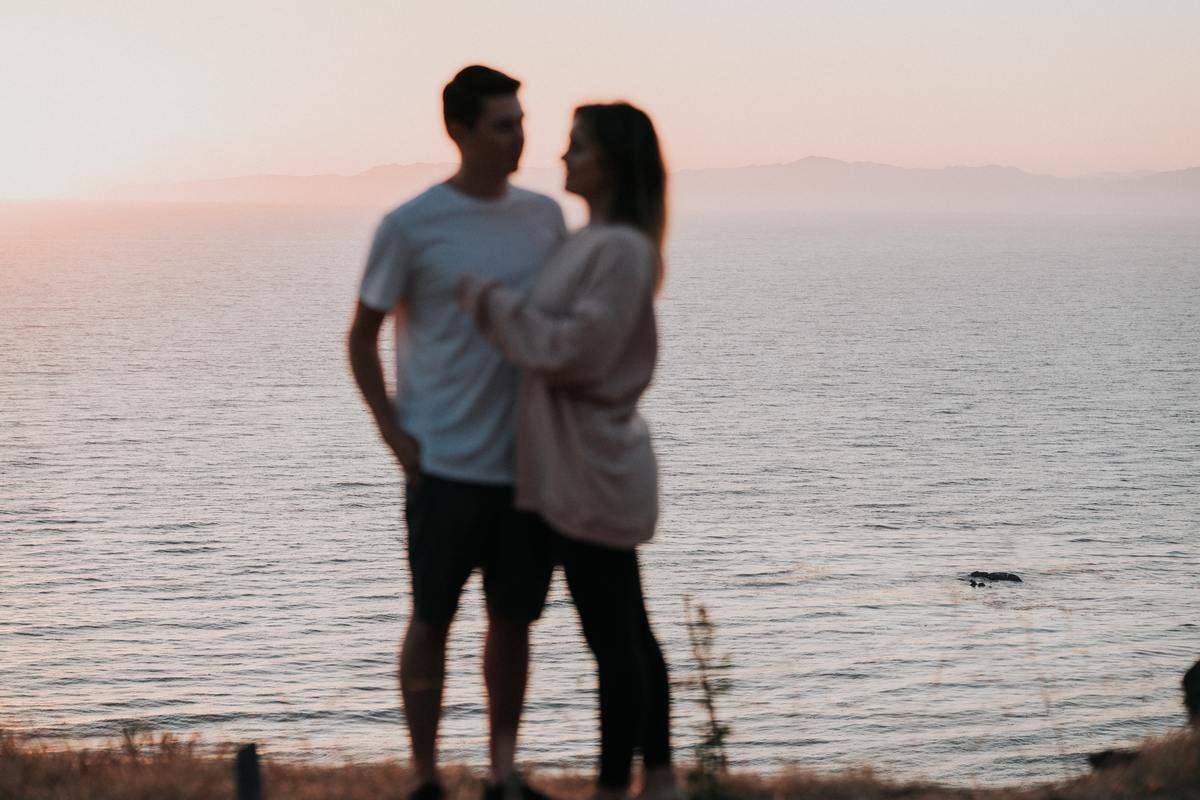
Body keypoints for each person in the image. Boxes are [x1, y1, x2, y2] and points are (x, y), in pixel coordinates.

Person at [347, 65, 566, 800]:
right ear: (461, 130)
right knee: (432, 618)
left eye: (521, 123)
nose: (519, 138)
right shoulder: (410, 226)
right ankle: (425, 775)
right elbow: (361, 337)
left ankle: (503, 772)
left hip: (523, 465)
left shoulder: (543, 218)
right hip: (440, 467)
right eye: (503, 125)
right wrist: (393, 435)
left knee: (513, 622)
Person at [457, 102, 678, 800]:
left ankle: (620, 788)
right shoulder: (594, 242)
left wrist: (491, 305)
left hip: (592, 467)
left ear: (609, 163)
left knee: (615, 639)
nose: (562, 159)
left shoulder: (619, 251)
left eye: (576, 148)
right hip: (573, 464)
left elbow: (572, 354)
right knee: (626, 631)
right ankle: (660, 779)